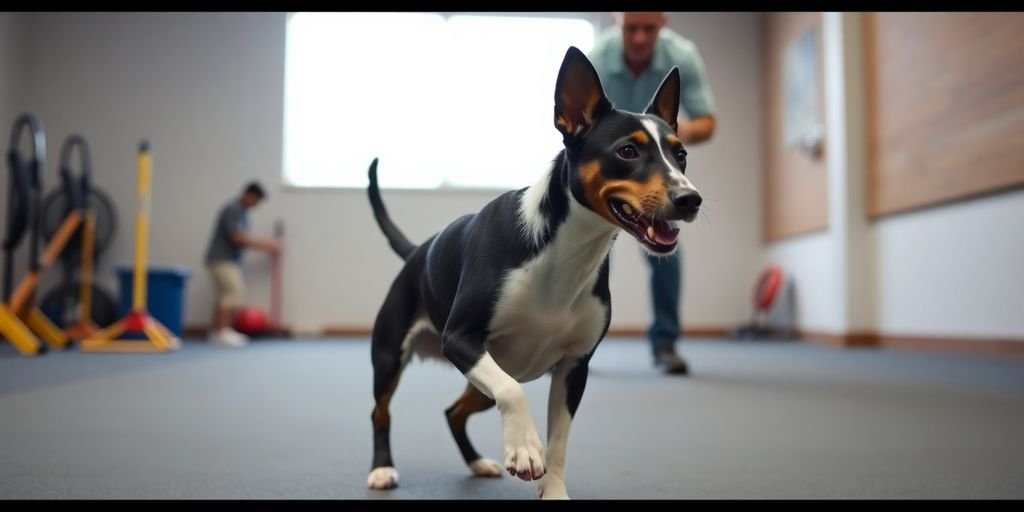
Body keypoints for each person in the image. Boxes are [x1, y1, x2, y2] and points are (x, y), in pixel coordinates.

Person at [588, 12, 717, 375]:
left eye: (650, 28)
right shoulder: (598, 59)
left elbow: (708, 121)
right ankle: (580, 345)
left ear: (663, 22)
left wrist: (664, 137)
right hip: (616, 171)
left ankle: (665, 343)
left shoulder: (683, 55)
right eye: (632, 28)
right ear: (617, 22)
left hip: (656, 171)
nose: (640, 38)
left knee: (668, 249)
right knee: (593, 254)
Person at [204, 181, 280, 347]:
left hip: (225, 259)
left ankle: (218, 331)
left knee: (226, 293)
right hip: (222, 259)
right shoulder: (234, 209)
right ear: (249, 195)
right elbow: (237, 237)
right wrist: (267, 245)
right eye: (256, 201)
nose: (256, 206)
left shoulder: (241, 212)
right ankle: (221, 332)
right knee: (232, 292)